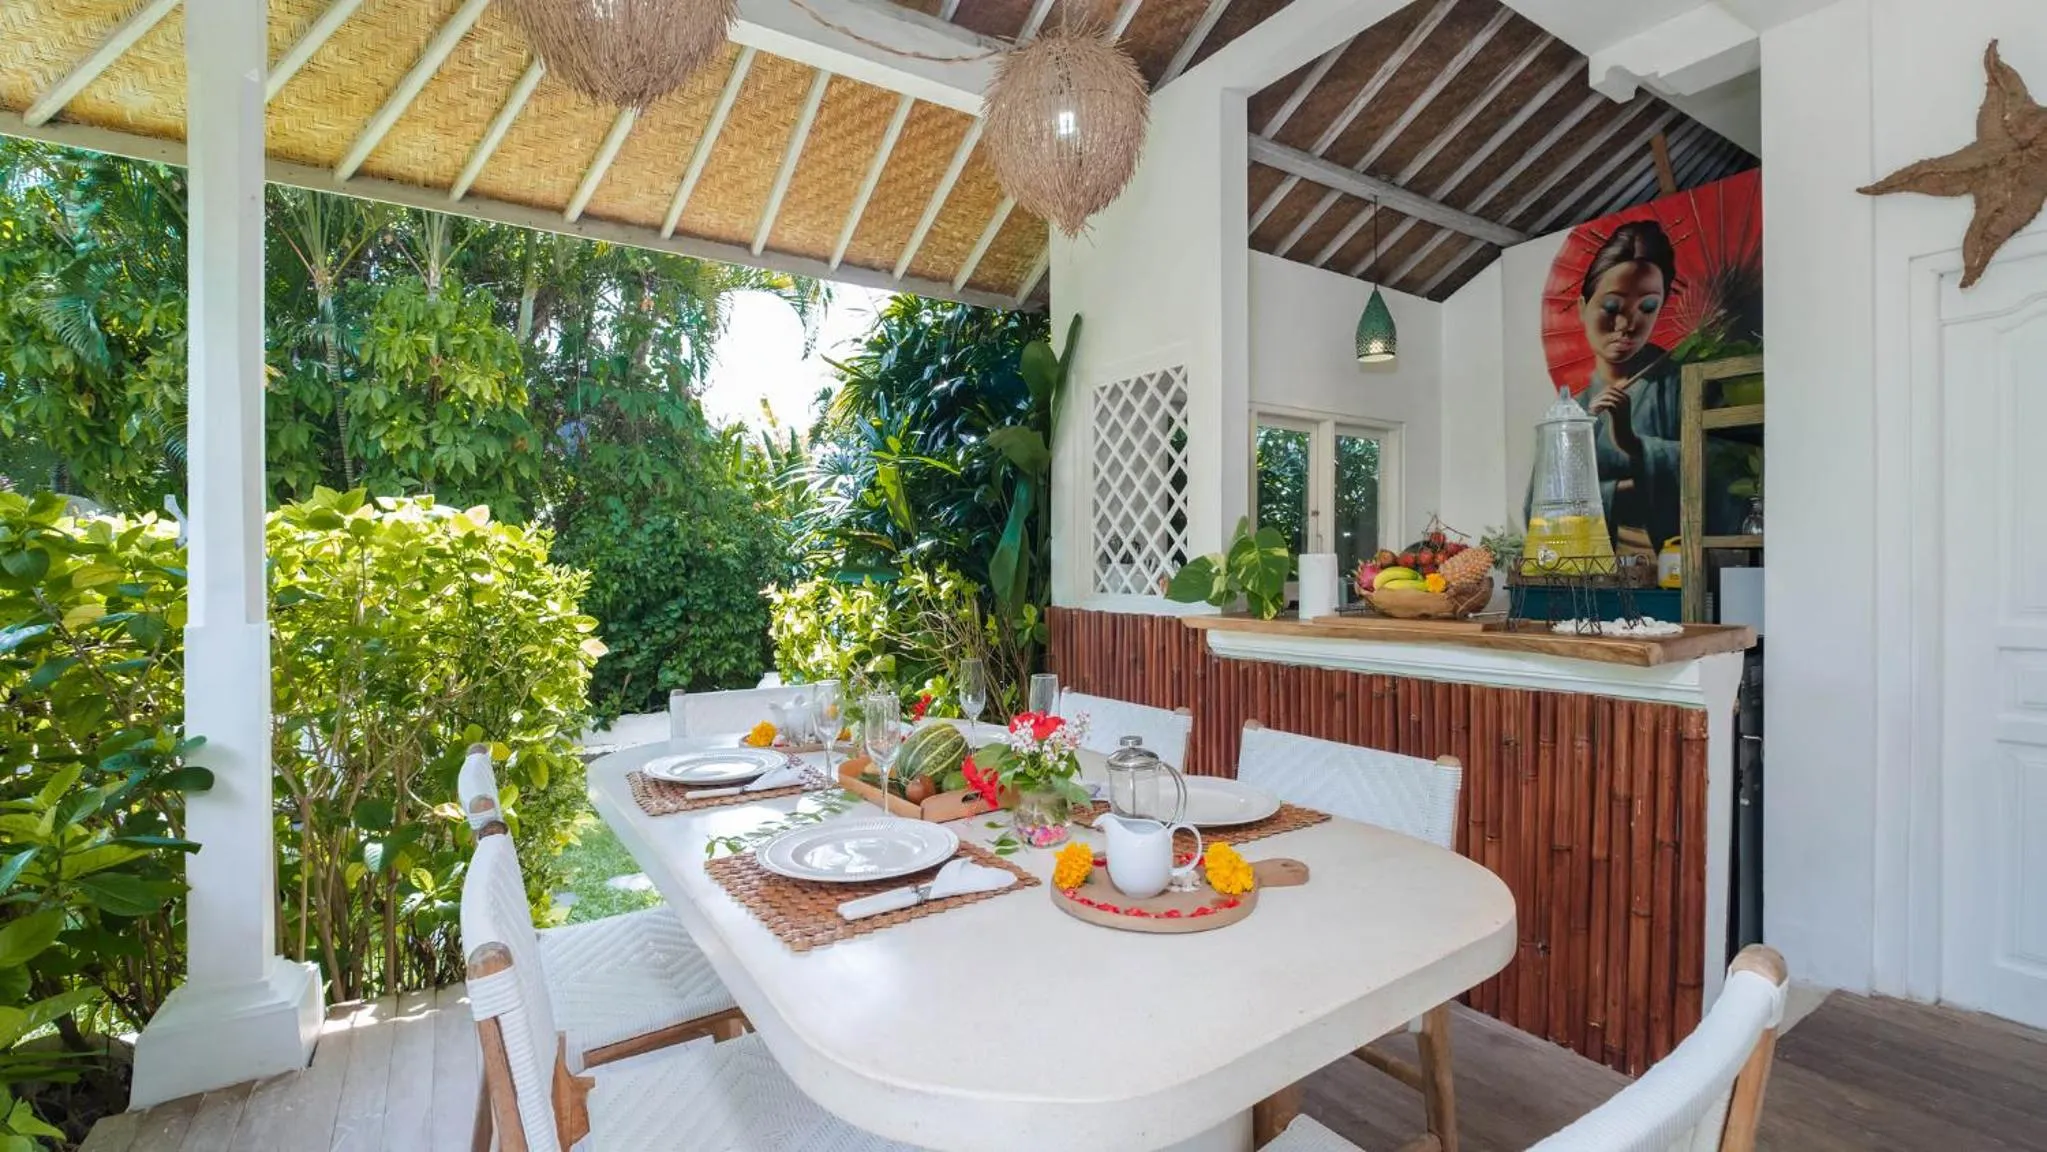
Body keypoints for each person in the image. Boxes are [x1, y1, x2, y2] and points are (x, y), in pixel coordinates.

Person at [1570, 220, 1685, 556]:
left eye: (1647, 307)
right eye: (1611, 307)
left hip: (1670, 558)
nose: (1626, 324)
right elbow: (1543, 500)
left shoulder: (1679, 385)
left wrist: (1633, 443)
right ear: (1582, 307)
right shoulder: (1574, 407)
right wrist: (1620, 490)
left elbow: (1717, 470)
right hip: (1595, 561)